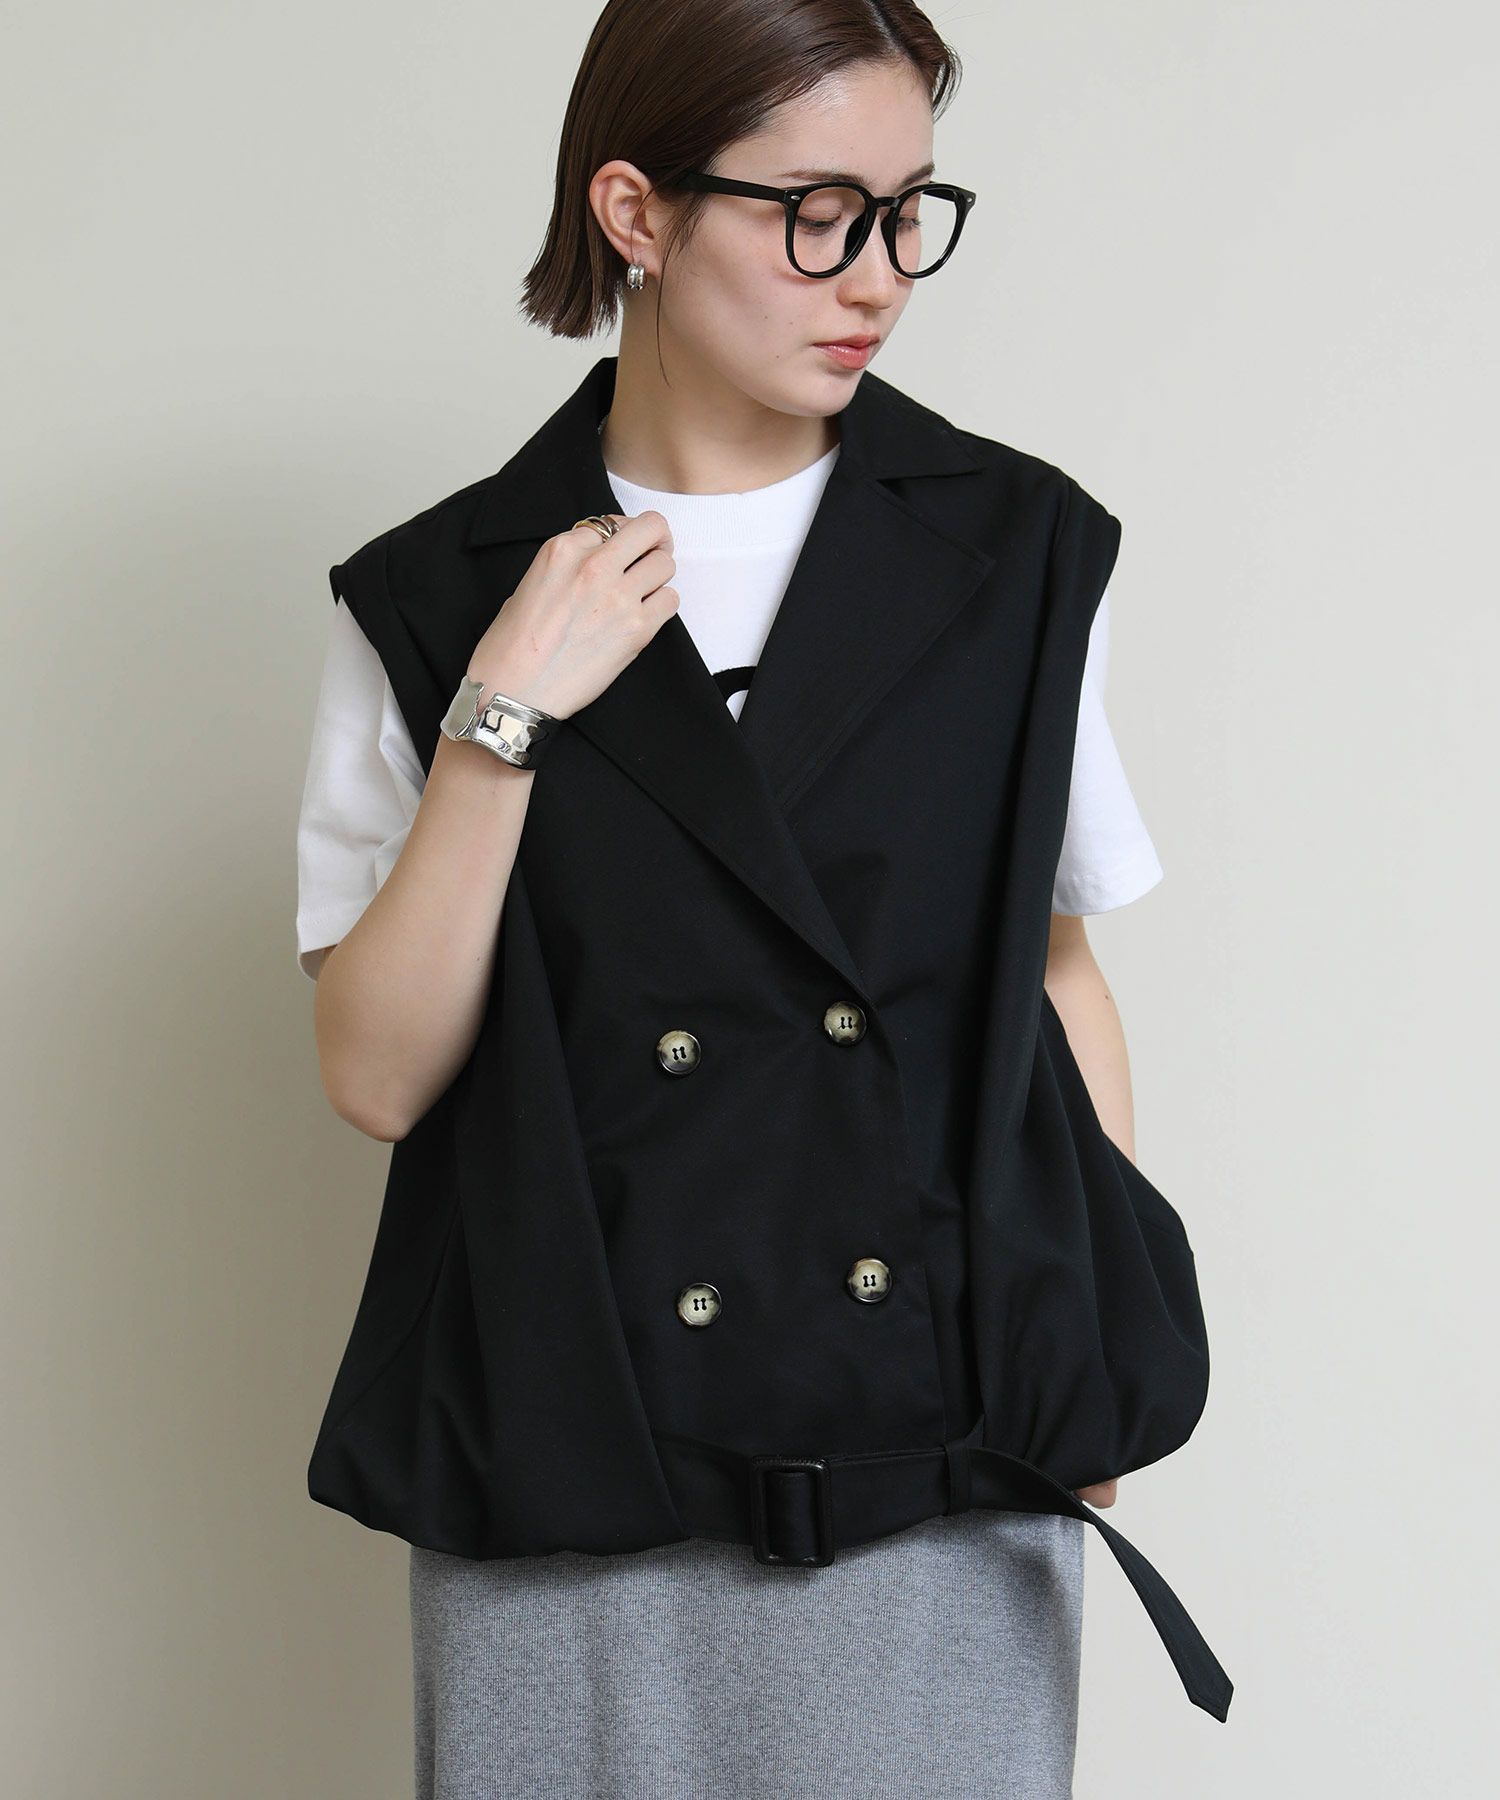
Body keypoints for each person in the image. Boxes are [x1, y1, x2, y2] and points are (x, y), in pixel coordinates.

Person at [295, 3, 1173, 1793]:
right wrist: (501, 715)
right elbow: (378, 1078)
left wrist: (1091, 1347)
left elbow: (1057, 978)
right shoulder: (441, 593)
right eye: (817, 215)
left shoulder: (1014, 553)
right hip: (572, 1453)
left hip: (941, 1443)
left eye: (910, 212)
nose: (879, 278)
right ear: (636, 211)